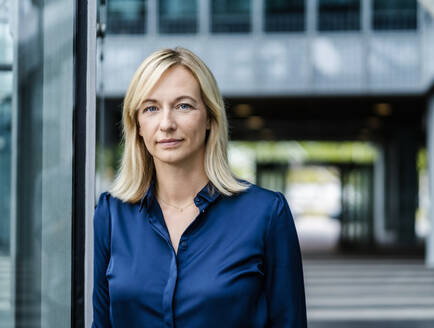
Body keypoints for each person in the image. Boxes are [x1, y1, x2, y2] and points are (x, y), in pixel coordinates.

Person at [92, 47, 307, 328]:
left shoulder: (266, 214)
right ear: (138, 125)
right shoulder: (111, 214)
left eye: (183, 106)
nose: (166, 124)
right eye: (151, 108)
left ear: (209, 118)